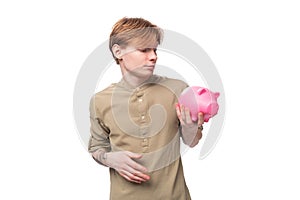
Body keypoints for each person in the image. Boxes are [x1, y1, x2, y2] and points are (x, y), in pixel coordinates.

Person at [88, 17, 204, 200]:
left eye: (155, 50)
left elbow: (192, 141)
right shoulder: (99, 101)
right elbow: (97, 147)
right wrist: (110, 159)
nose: (153, 56)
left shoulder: (178, 89)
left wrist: (191, 128)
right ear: (118, 51)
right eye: (144, 50)